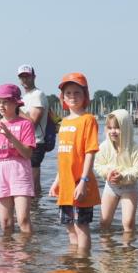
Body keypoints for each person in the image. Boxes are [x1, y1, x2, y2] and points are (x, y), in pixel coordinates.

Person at [49, 73, 100, 254]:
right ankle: (73, 263)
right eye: (68, 93)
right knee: (69, 227)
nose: (72, 96)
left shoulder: (88, 120)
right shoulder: (63, 123)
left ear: (85, 95)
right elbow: (63, 155)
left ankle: (83, 264)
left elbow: (90, 152)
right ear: (62, 97)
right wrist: (57, 181)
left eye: (77, 92)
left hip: (80, 183)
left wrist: (84, 181)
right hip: (66, 184)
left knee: (81, 225)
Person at [0, 84, 35, 234]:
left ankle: (26, 253)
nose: (2, 105)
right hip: (2, 171)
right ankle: (7, 254)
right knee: (6, 222)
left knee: (23, 219)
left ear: (15, 103)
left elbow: (27, 154)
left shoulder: (25, 124)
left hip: (20, 169)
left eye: (6, 101)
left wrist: (9, 136)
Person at [94, 109, 138, 233]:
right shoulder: (104, 147)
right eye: (110, 128)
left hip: (129, 187)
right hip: (111, 187)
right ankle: (107, 249)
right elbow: (98, 165)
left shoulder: (135, 149)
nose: (113, 131)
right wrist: (108, 173)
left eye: (117, 128)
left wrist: (123, 176)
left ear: (126, 128)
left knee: (128, 223)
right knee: (104, 221)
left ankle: (128, 249)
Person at [16, 64, 48, 195]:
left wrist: (16, 110)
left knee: (32, 183)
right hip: (23, 142)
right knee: (26, 181)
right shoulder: (22, 98)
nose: (24, 79)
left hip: (36, 142)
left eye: (27, 76)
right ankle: (35, 210)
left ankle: (35, 210)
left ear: (34, 77)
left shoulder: (37, 95)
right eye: (22, 77)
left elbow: (33, 122)